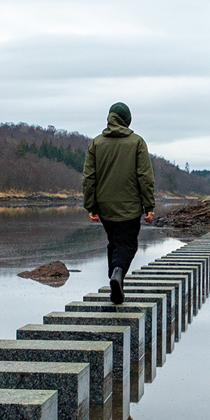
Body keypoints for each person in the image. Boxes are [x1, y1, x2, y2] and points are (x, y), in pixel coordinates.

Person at [83, 102, 155, 304]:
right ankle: (118, 273)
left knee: (114, 243)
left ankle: (116, 283)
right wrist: (148, 205)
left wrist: (91, 205)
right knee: (127, 244)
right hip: (130, 207)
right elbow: (145, 177)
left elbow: (89, 177)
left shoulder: (96, 143)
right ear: (127, 120)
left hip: (105, 206)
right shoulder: (137, 142)